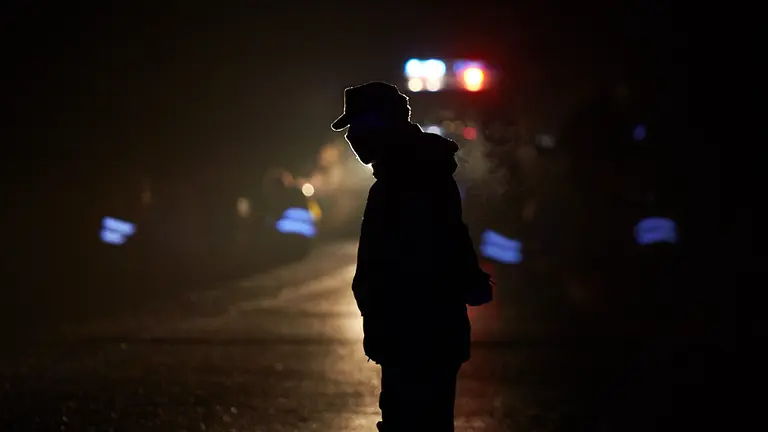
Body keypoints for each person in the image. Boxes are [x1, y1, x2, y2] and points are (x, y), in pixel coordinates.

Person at [330, 81, 493, 431]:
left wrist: (388, 323)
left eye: (357, 126)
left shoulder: (407, 179)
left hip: (416, 336)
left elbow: (419, 258)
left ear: (381, 125)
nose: (352, 137)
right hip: (420, 335)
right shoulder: (414, 172)